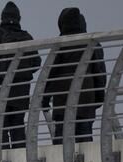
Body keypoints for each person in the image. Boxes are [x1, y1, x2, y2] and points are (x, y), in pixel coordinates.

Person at [0, 2, 40, 150]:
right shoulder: (27, 37)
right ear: (19, 18)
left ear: (2, 17)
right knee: (18, 127)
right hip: (20, 93)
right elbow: (36, 62)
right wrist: (21, 75)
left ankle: (2, 161)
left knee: (0, 129)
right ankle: (21, 159)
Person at [42, 7, 107, 145]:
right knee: (85, 136)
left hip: (62, 98)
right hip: (86, 97)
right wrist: (100, 96)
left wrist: (45, 98)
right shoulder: (92, 43)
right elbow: (99, 73)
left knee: (62, 136)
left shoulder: (59, 45)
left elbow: (50, 73)